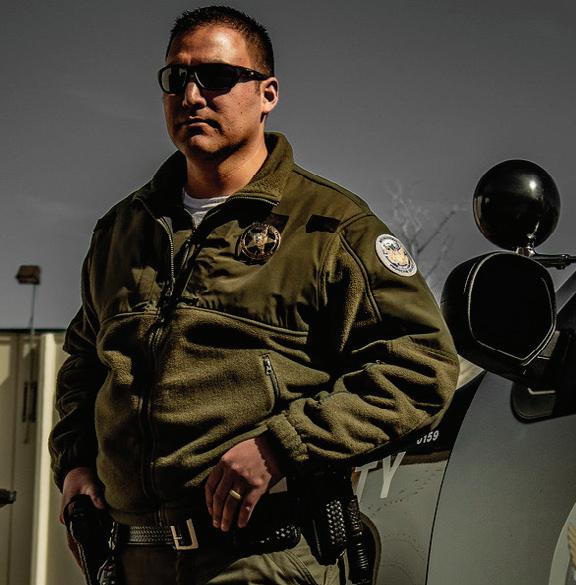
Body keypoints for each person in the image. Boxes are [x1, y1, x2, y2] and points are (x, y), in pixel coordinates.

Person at [49, 6, 459, 585]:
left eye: (216, 77)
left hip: (265, 558)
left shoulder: (331, 229)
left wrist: (282, 445)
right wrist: (73, 466)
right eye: (176, 78)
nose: (192, 95)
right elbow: (84, 366)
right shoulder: (122, 232)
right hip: (134, 559)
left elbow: (421, 366)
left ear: (268, 94)